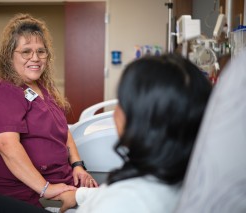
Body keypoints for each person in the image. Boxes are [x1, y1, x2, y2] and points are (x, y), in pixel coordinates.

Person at [0, 53, 212, 213]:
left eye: (122, 102)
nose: (35, 57)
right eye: (26, 51)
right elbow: (9, 143)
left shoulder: (129, 200)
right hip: (68, 195)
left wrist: (51, 188)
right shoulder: (188, 177)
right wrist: (78, 191)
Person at [53, 53, 212, 212]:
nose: (115, 112)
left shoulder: (122, 203)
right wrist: (80, 195)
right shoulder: (193, 178)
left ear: (140, 121)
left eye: (121, 102)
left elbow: (122, 200)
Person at [0, 13, 97, 208]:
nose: (35, 58)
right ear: (9, 55)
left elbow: (62, 130)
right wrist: (46, 189)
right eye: (26, 52)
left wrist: (77, 165)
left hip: (59, 181)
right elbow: (6, 146)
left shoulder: (40, 87)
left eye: (41, 51)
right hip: (20, 194)